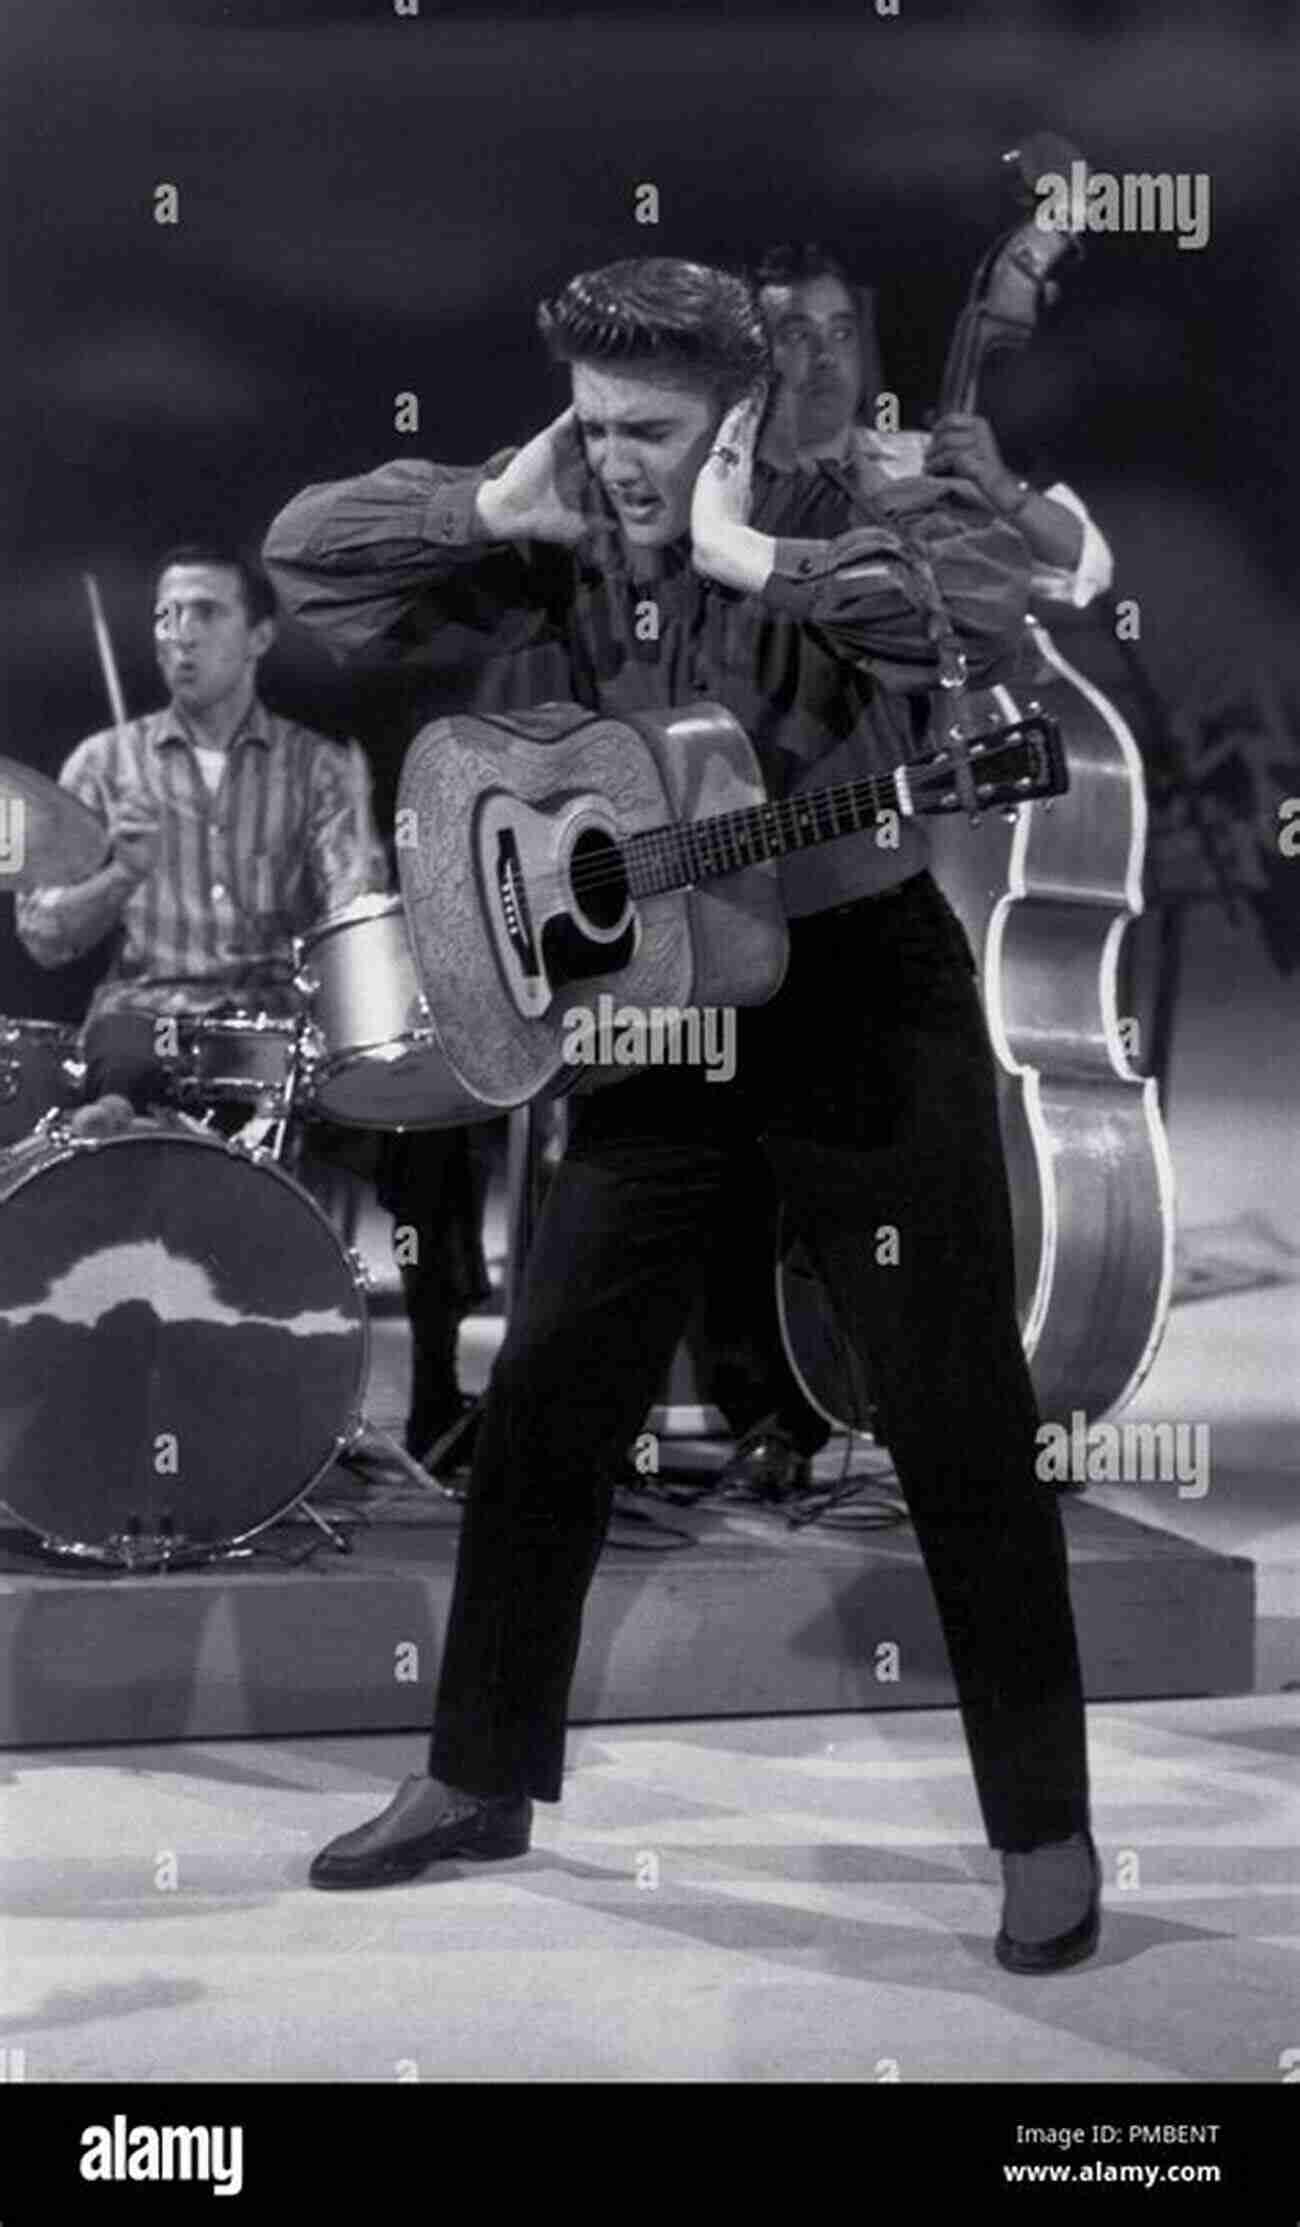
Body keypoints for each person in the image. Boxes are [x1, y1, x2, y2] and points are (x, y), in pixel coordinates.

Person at [264, 256, 1101, 1972]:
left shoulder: (839, 501)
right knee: (550, 1393)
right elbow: (305, 567)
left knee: (953, 1416)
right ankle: (478, 1774)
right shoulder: (554, 512)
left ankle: (1046, 1830)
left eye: (648, 429)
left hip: (862, 994)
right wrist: (493, 494)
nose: (616, 459)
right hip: (660, 1017)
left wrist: (748, 559)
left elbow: (981, 625)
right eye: (590, 422)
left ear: (734, 410)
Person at [681, 241, 1118, 1492]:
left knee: (920, 1143)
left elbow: (1078, 569)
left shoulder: (912, 468)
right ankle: (770, 1403)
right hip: (742, 858)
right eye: (788, 332)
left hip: (883, 857)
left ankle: (953, 1415)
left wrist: (1007, 486)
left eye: (835, 330)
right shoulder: (727, 477)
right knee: (729, 1149)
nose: (816, 354)